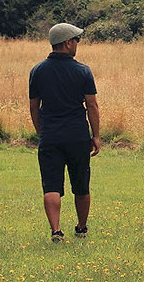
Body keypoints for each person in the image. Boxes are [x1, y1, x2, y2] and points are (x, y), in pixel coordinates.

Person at [29, 23, 101, 242]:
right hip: (77, 136)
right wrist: (95, 136)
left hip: (50, 135)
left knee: (51, 184)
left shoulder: (38, 71)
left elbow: (34, 107)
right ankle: (81, 227)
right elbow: (92, 105)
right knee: (81, 184)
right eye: (76, 41)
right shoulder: (82, 71)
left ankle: (56, 230)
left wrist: (42, 132)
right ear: (68, 43)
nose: (77, 44)